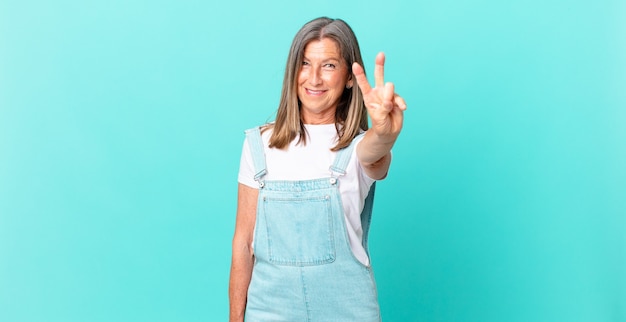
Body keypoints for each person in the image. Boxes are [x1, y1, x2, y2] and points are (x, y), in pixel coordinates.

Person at [229, 17, 407, 321]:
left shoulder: (358, 146)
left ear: (349, 78)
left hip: (347, 309)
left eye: (329, 66)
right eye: (305, 64)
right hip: (270, 310)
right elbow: (244, 244)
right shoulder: (259, 145)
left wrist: (385, 134)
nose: (313, 79)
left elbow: (376, 157)